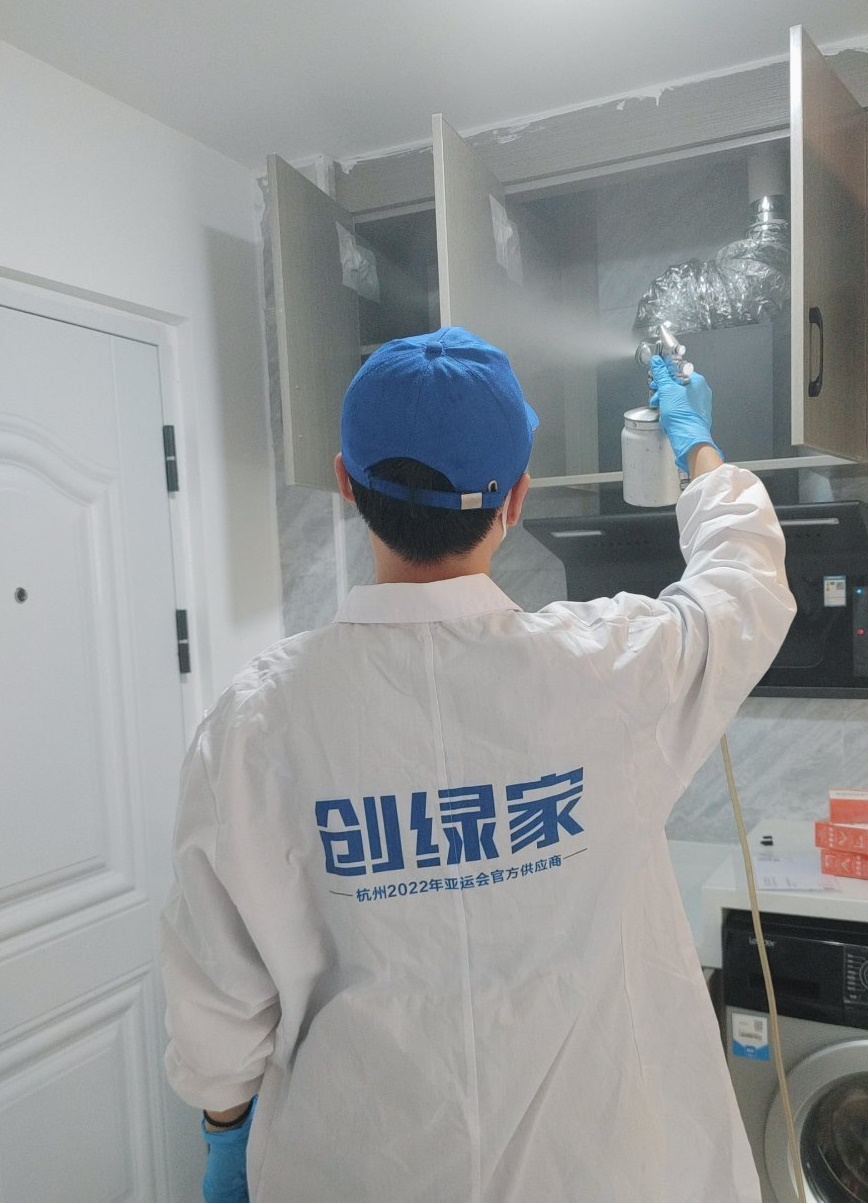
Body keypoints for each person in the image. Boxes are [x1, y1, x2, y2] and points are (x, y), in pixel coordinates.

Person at [160, 326, 795, 1203]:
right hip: (594, 1172)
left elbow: (217, 996)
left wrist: (224, 1130)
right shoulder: (612, 668)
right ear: (516, 499)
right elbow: (744, 583)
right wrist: (698, 450)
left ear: (345, 482)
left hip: (354, 1171)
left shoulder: (254, 723)